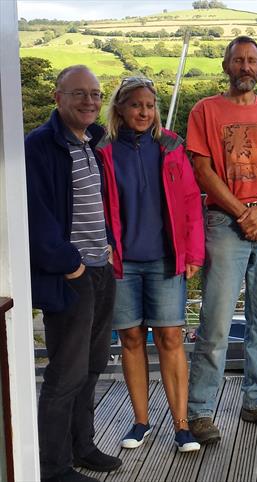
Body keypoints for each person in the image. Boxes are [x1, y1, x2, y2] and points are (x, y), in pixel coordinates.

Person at [186, 36, 257, 443]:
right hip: (224, 222)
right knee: (214, 323)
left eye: (252, 60)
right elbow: (201, 169)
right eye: (239, 60)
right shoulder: (205, 110)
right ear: (226, 66)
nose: (246, 67)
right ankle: (199, 411)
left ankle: (256, 401)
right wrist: (241, 213)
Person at [95, 76, 204, 453]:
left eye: (150, 105)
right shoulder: (103, 150)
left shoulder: (171, 146)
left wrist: (194, 254)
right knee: (131, 339)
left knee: (171, 338)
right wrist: (103, 247)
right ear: (120, 108)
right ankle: (141, 422)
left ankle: (182, 426)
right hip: (121, 263)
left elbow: (191, 202)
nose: (144, 111)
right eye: (136, 105)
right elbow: (94, 205)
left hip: (166, 258)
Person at [26, 65, 122, 482]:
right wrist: (71, 266)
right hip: (72, 277)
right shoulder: (40, 147)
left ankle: (83, 445)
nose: (89, 101)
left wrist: (108, 251)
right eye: (79, 93)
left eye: (96, 94)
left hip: (101, 270)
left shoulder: (92, 143)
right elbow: (36, 217)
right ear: (58, 97)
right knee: (65, 373)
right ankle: (53, 467)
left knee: (94, 363)